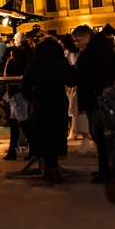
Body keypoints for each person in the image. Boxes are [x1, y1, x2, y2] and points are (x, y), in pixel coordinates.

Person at [21, 39, 76, 182]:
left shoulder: (35, 63)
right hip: (58, 102)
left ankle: (49, 166)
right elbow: (71, 81)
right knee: (57, 133)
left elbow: (25, 85)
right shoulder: (61, 62)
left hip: (41, 102)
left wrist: (33, 99)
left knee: (42, 133)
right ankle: (52, 166)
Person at [72, 25, 115, 182]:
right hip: (96, 97)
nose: (77, 44)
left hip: (98, 98)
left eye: (78, 40)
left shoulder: (96, 51)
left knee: (99, 133)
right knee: (98, 134)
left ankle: (106, 170)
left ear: (86, 38)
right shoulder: (95, 49)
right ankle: (105, 168)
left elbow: (91, 73)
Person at [2, 48, 31, 160]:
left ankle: (31, 148)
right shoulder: (25, 65)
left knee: (22, 122)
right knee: (15, 122)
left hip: (17, 96)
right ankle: (12, 150)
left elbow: (7, 77)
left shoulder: (13, 65)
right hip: (19, 95)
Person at [59, 35, 87, 142]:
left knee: (73, 109)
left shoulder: (70, 54)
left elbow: (73, 68)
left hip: (71, 86)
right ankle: (73, 130)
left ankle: (74, 131)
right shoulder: (69, 54)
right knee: (72, 109)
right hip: (70, 85)